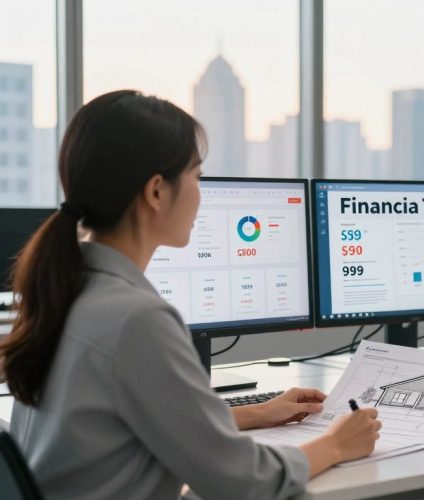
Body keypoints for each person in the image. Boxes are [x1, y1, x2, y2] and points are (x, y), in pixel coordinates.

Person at [0, 90, 381, 499]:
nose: (201, 192)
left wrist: (257, 413)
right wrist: (337, 444)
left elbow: (133, 425)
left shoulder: (71, 289)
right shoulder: (136, 319)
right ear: (156, 192)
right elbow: (244, 480)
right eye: (197, 177)